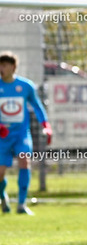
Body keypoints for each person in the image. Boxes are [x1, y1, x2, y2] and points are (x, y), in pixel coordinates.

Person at [0, 52, 52, 215]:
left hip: (21, 134)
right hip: (2, 137)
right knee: (0, 173)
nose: (1, 69)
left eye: (4, 65)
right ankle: (3, 197)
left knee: (24, 161)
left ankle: (22, 204)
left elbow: (37, 106)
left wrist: (45, 125)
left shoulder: (25, 86)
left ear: (13, 67)